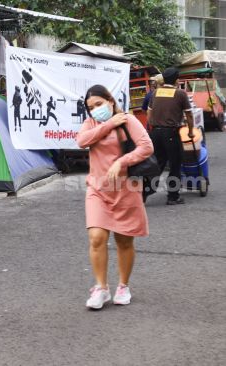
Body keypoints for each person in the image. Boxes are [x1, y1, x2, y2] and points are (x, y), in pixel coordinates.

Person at [76, 84, 154, 310]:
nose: (95, 110)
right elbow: (82, 141)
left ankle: (123, 285)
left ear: (110, 100)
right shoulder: (91, 124)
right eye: (91, 107)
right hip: (98, 190)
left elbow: (146, 147)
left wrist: (122, 161)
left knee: (124, 240)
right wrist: (108, 124)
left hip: (126, 188)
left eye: (99, 104)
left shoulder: (128, 121)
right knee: (97, 238)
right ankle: (101, 288)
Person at [145, 67, 194, 205]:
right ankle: (173, 196)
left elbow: (149, 113)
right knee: (174, 164)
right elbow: (189, 115)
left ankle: (144, 192)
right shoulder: (180, 94)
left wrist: (154, 125)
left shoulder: (155, 93)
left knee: (158, 164)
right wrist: (190, 131)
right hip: (171, 133)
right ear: (177, 80)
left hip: (155, 132)